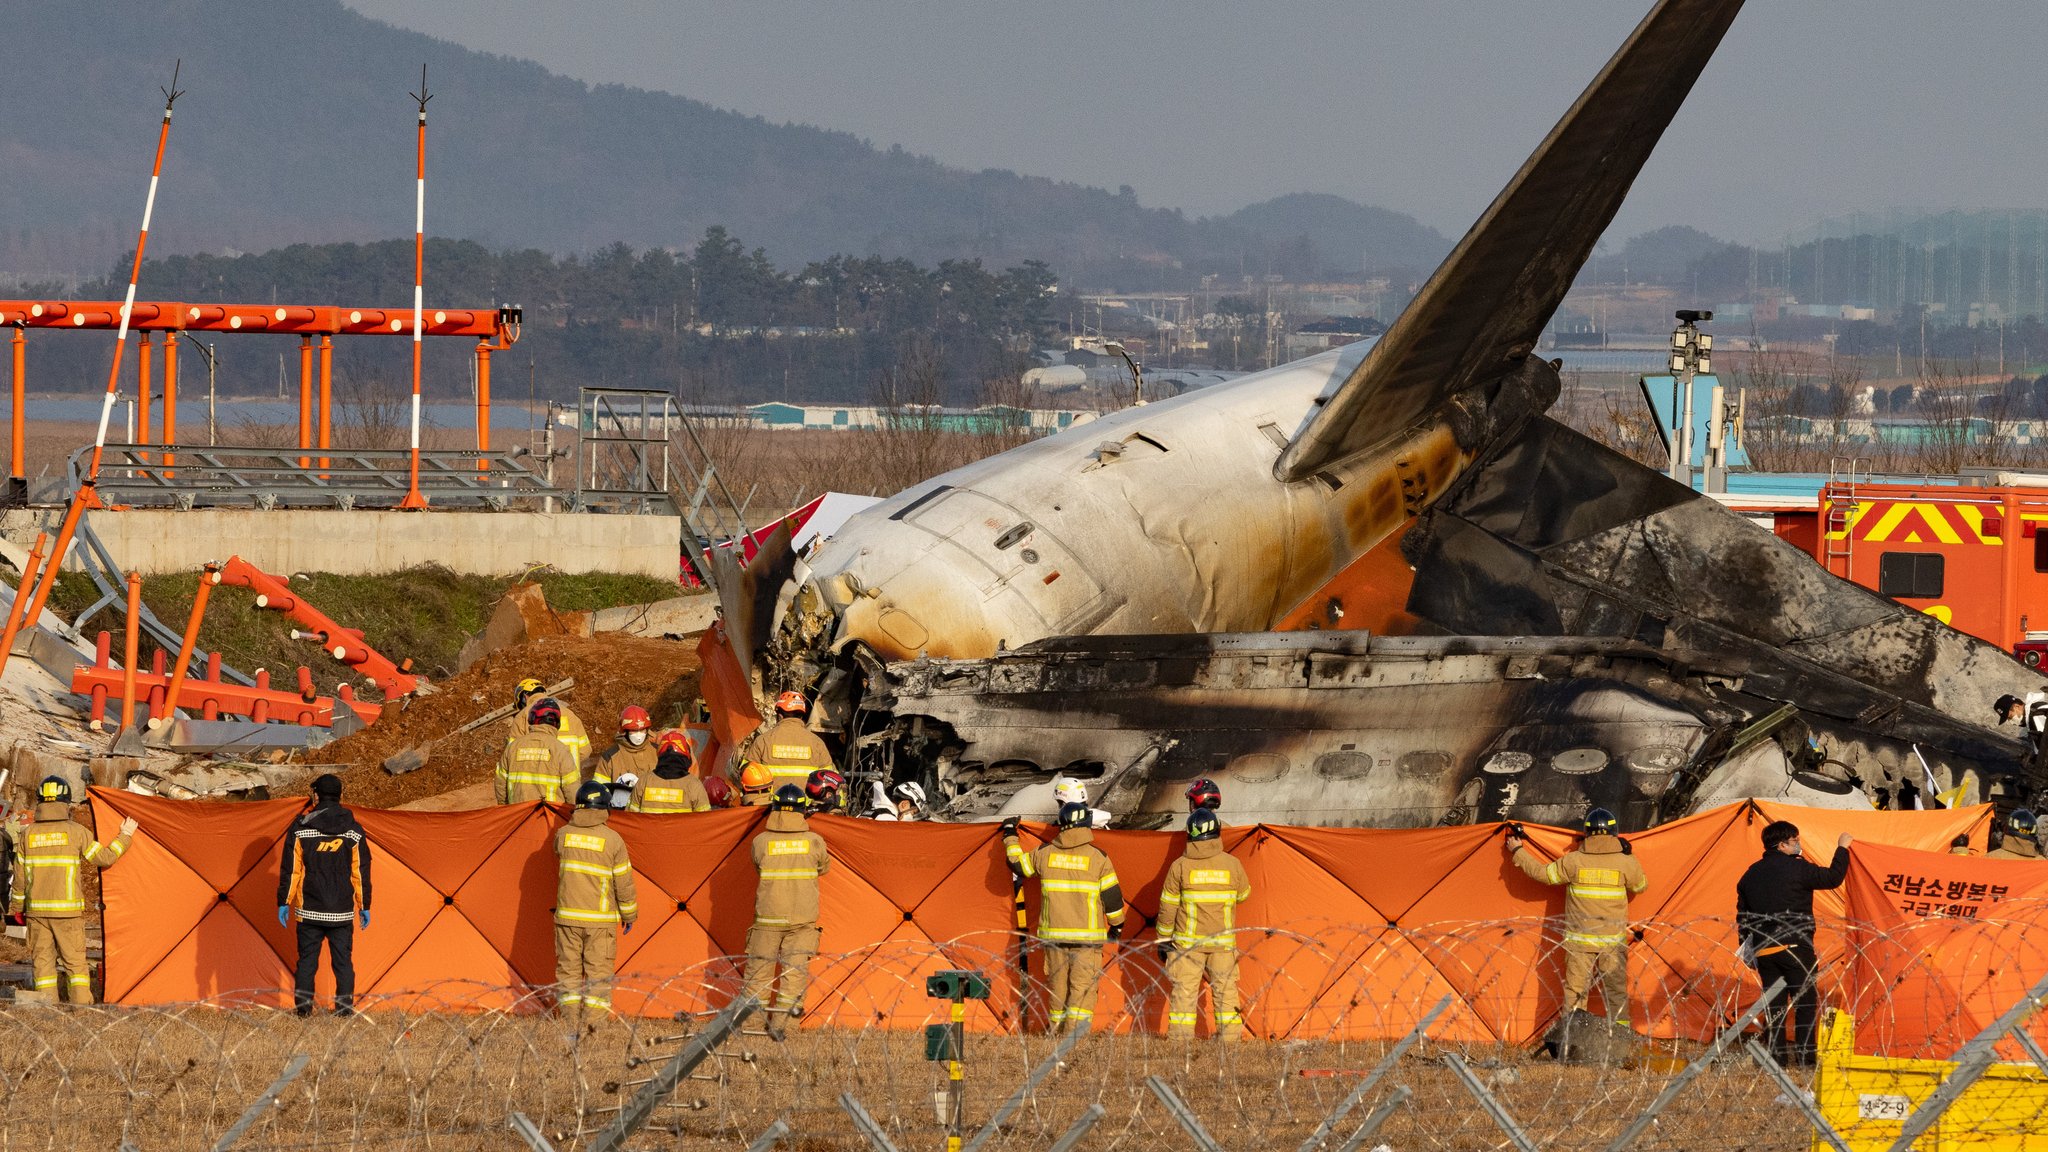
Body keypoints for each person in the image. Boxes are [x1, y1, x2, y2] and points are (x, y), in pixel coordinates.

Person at [1507, 809, 1648, 1029]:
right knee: (1616, 996)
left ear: (1587, 834)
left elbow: (1542, 874)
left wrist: (1518, 851)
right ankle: (1619, 1044)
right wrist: (1628, 856)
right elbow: (1640, 886)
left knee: (1575, 996)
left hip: (1579, 943)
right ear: (1614, 833)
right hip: (1612, 943)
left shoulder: (1573, 861)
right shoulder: (1625, 862)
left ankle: (1572, 1045)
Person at [7, 777, 136, 1004]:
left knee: (43, 965)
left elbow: (18, 879)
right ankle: (82, 1010)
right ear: (65, 802)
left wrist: (17, 908)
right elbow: (105, 858)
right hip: (68, 915)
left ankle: (47, 1009)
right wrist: (124, 836)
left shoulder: (28, 834)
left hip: (36, 914)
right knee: (75, 965)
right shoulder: (76, 832)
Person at [1003, 802, 1127, 1034]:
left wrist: (1010, 834)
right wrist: (1117, 927)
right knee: (1082, 988)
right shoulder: (1098, 858)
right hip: (1087, 941)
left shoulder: (1045, 853)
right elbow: (1112, 899)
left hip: (1054, 936)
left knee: (1057, 987)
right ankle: (1074, 1036)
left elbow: (1017, 865)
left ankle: (1056, 1030)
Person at [1736, 821, 1852, 1066]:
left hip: (1764, 950)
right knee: (1805, 1005)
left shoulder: (1749, 875)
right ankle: (1805, 1059)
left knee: (1774, 1009)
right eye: (1795, 840)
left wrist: (1749, 952)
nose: (1798, 844)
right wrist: (1842, 848)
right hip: (1795, 947)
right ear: (1782, 844)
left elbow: (1743, 918)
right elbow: (1832, 878)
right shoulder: (1797, 869)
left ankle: (1777, 1060)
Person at [276, 773, 372, 1017]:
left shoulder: (301, 827)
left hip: (309, 910)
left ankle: (303, 1012)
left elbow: (292, 870)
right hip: (341, 910)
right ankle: (344, 1010)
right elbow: (360, 870)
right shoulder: (353, 830)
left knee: (307, 962)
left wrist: (284, 901)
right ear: (341, 796)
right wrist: (364, 904)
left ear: (316, 795)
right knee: (343, 963)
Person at [744, 784, 831, 1039]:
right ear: (803, 810)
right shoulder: (814, 841)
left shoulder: (760, 841)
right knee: (794, 976)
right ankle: (784, 1029)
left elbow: (758, 868)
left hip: (767, 919)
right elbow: (823, 868)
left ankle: (750, 1027)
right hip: (802, 920)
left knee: (758, 975)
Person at [1158, 808, 1251, 1039]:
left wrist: (1163, 939)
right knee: (1226, 993)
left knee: (1184, 993)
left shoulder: (1179, 866)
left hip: (1187, 945)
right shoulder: (1233, 864)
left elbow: (1167, 907)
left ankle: (1180, 1039)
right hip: (1223, 944)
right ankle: (1230, 1040)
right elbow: (1244, 894)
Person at [553, 780, 638, 1015]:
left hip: (567, 919)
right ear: (605, 808)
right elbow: (624, 882)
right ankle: (594, 1026)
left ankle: (569, 1021)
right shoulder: (613, 840)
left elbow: (556, 851)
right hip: (600, 922)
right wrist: (629, 914)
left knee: (568, 972)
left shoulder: (563, 835)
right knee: (598, 973)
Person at [735, 691, 834, 794]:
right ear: (801, 716)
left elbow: (746, 772)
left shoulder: (763, 740)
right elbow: (830, 778)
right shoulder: (817, 743)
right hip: (806, 807)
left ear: (780, 715)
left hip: (770, 806)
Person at [495, 698, 581, 804]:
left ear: (531, 719)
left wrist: (506, 810)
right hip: (550, 818)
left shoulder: (513, 747)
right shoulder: (561, 750)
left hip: (519, 816)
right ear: (557, 723)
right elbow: (572, 790)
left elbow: (500, 785)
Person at [509, 677, 592, 768]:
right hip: (570, 778)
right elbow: (586, 751)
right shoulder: (570, 715)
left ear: (525, 697)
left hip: (539, 779)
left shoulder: (522, 716)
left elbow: (511, 753)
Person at [628, 731, 713, 813]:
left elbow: (629, 818)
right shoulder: (694, 785)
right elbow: (705, 823)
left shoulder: (644, 782)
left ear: (660, 755)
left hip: (648, 828)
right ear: (686, 756)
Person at [594, 706, 658, 789]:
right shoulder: (610, 757)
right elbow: (599, 790)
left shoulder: (659, 752)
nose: (639, 735)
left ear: (647, 730)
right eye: (634, 730)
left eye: (642, 730)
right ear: (625, 731)